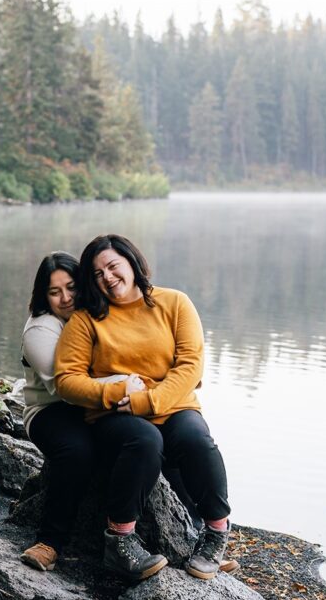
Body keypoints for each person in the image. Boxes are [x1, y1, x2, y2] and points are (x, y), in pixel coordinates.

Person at [55, 234, 231, 582]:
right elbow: (67, 380)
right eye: (97, 273)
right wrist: (116, 393)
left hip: (173, 406)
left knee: (196, 440)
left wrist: (146, 401)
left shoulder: (174, 303)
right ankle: (119, 542)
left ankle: (215, 535)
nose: (107, 277)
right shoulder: (86, 320)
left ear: (132, 263)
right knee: (145, 440)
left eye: (112, 266)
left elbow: (191, 365)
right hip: (114, 416)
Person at [19, 252, 127, 572]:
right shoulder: (40, 330)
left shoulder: (95, 312)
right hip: (49, 409)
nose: (65, 298)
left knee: (147, 438)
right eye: (54, 292)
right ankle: (49, 543)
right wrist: (125, 384)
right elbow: (64, 388)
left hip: (95, 402)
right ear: (44, 295)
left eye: (71, 287)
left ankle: (190, 534)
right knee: (77, 450)